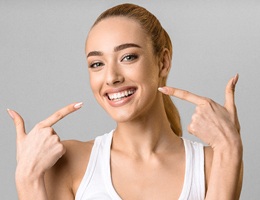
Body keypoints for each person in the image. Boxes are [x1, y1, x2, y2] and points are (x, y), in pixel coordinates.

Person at [8, 3, 243, 200]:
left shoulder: (213, 162)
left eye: (128, 57)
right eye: (97, 64)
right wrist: (27, 179)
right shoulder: (69, 161)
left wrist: (229, 148)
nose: (111, 77)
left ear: (163, 62)